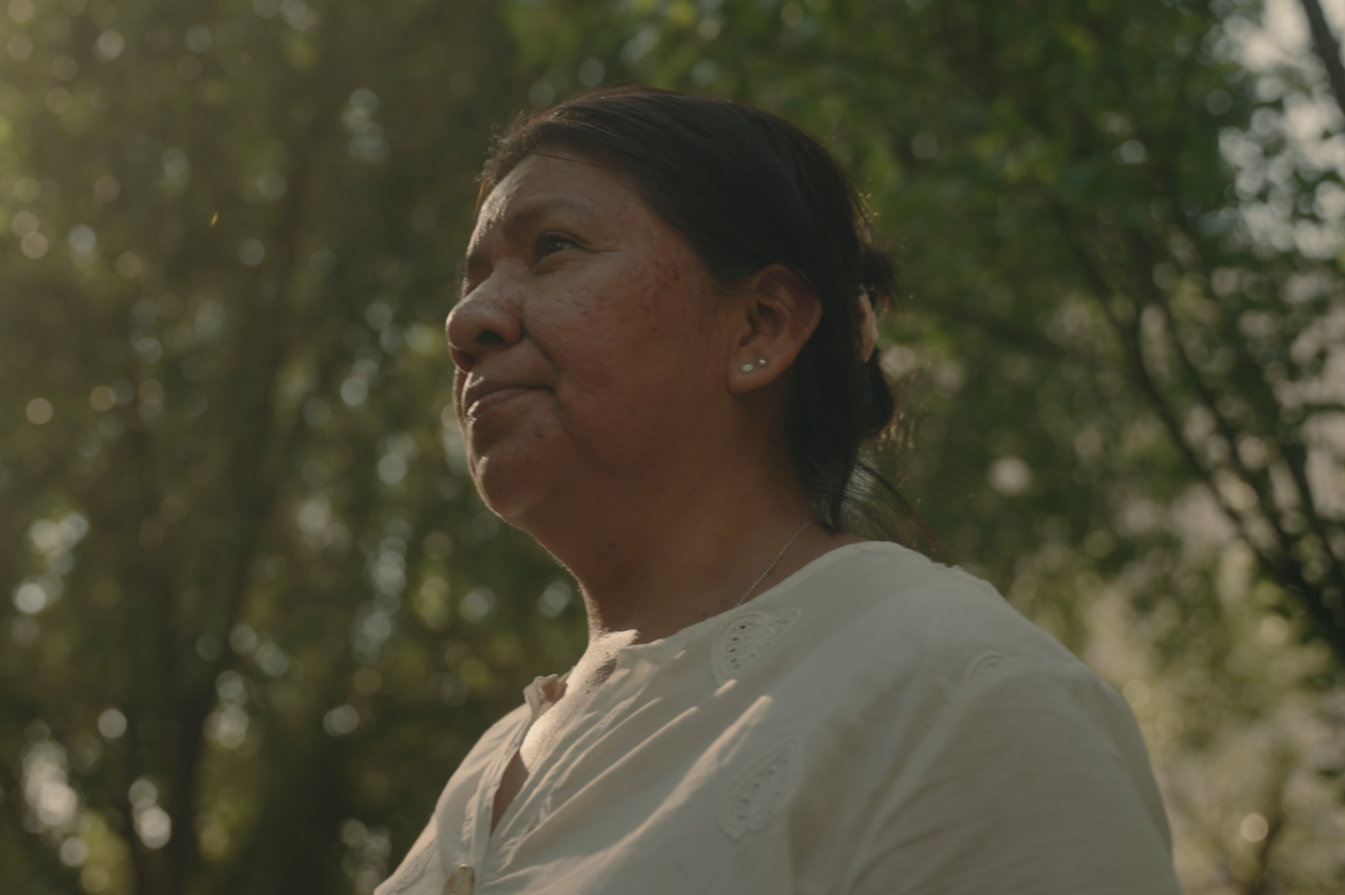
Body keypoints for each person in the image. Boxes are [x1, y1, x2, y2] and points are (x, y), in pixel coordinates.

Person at [375, 87, 1180, 895]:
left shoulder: (959, 693)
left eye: (553, 246)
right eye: (472, 277)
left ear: (761, 324)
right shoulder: (483, 775)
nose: (465, 320)